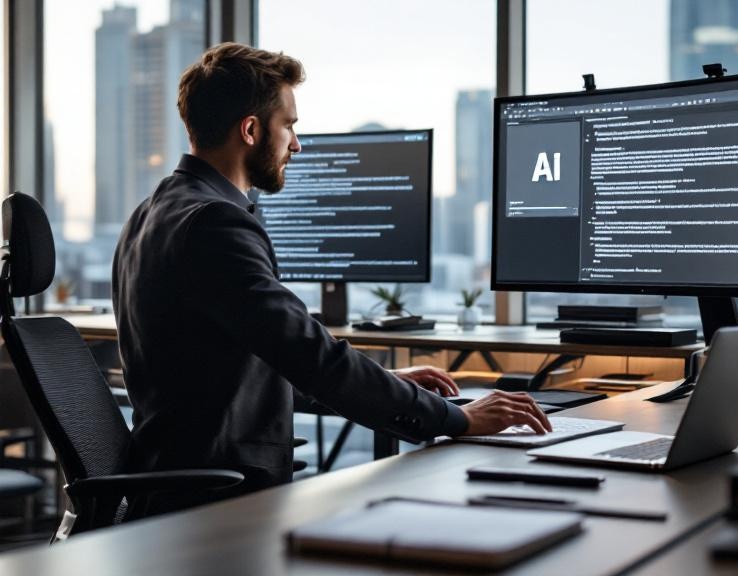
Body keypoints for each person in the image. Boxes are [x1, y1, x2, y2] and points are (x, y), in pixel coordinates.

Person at [112, 42, 551, 518]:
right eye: (290, 126)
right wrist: (457, 418)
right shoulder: (215, 222)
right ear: (252, 130)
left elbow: (237, 364)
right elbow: (311, 356)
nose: (296, 144)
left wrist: (387, 383)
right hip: (215, 500)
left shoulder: (151, 212)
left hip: (180, 479)